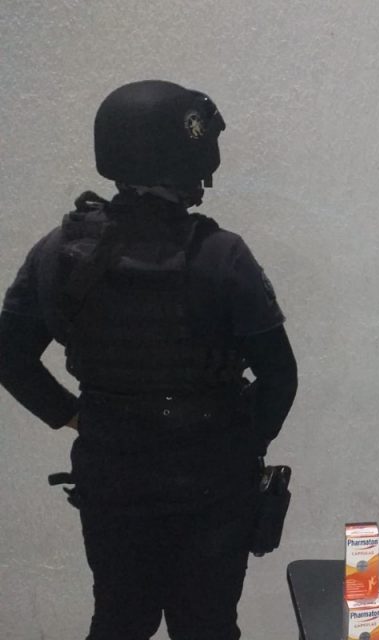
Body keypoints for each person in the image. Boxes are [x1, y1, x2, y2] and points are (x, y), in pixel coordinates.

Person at [0, 80, 298, 640]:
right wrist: (240, 444)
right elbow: (280, 376)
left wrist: (76, 416)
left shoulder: (59, 250)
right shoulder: (221, 254)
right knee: (208, 627)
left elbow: (10, 357)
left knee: (119, 620)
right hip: (212, 482)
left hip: (112, 474)